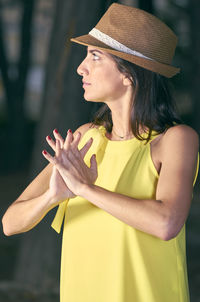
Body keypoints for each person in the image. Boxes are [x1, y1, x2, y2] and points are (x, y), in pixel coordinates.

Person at [2, 3, 199, 302]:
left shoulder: (174, 140)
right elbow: (9, 223)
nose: (82, 67)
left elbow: (167, 223)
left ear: (129, 74)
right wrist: (52, 197)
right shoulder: (84, 138)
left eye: (95, 56)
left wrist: (84, 189)